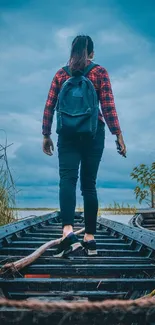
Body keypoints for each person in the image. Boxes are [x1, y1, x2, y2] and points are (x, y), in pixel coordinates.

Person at [42, 35, 126, 257]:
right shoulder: (99, 72)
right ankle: (90, 238)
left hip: (67, 135)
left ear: (72, 52)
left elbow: (49, 106)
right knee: (89, 185)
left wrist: (46, 134)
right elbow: (108, 106)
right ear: (92, 53)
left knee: (67, 180)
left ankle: (68, 232)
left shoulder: (61, 74)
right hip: (93, 133)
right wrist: (117, 134)